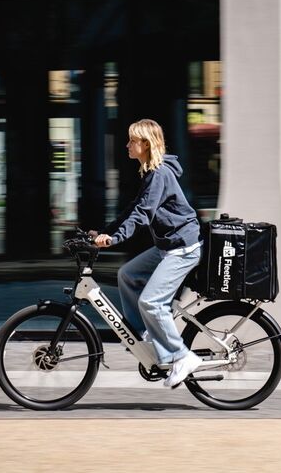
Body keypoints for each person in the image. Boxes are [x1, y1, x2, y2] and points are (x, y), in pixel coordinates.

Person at [90, 118, 203, 388]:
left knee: (151, 302)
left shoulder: (160, 173)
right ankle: (146, 336)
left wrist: (115, 238)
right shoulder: (151, 172)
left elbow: (143, 214)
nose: (127, 145)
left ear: (145, 144)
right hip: (168, 246)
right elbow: (134, 207)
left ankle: (181, 356)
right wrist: (105, 230)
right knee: (128, 274)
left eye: (132, 140)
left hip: (183, 248)